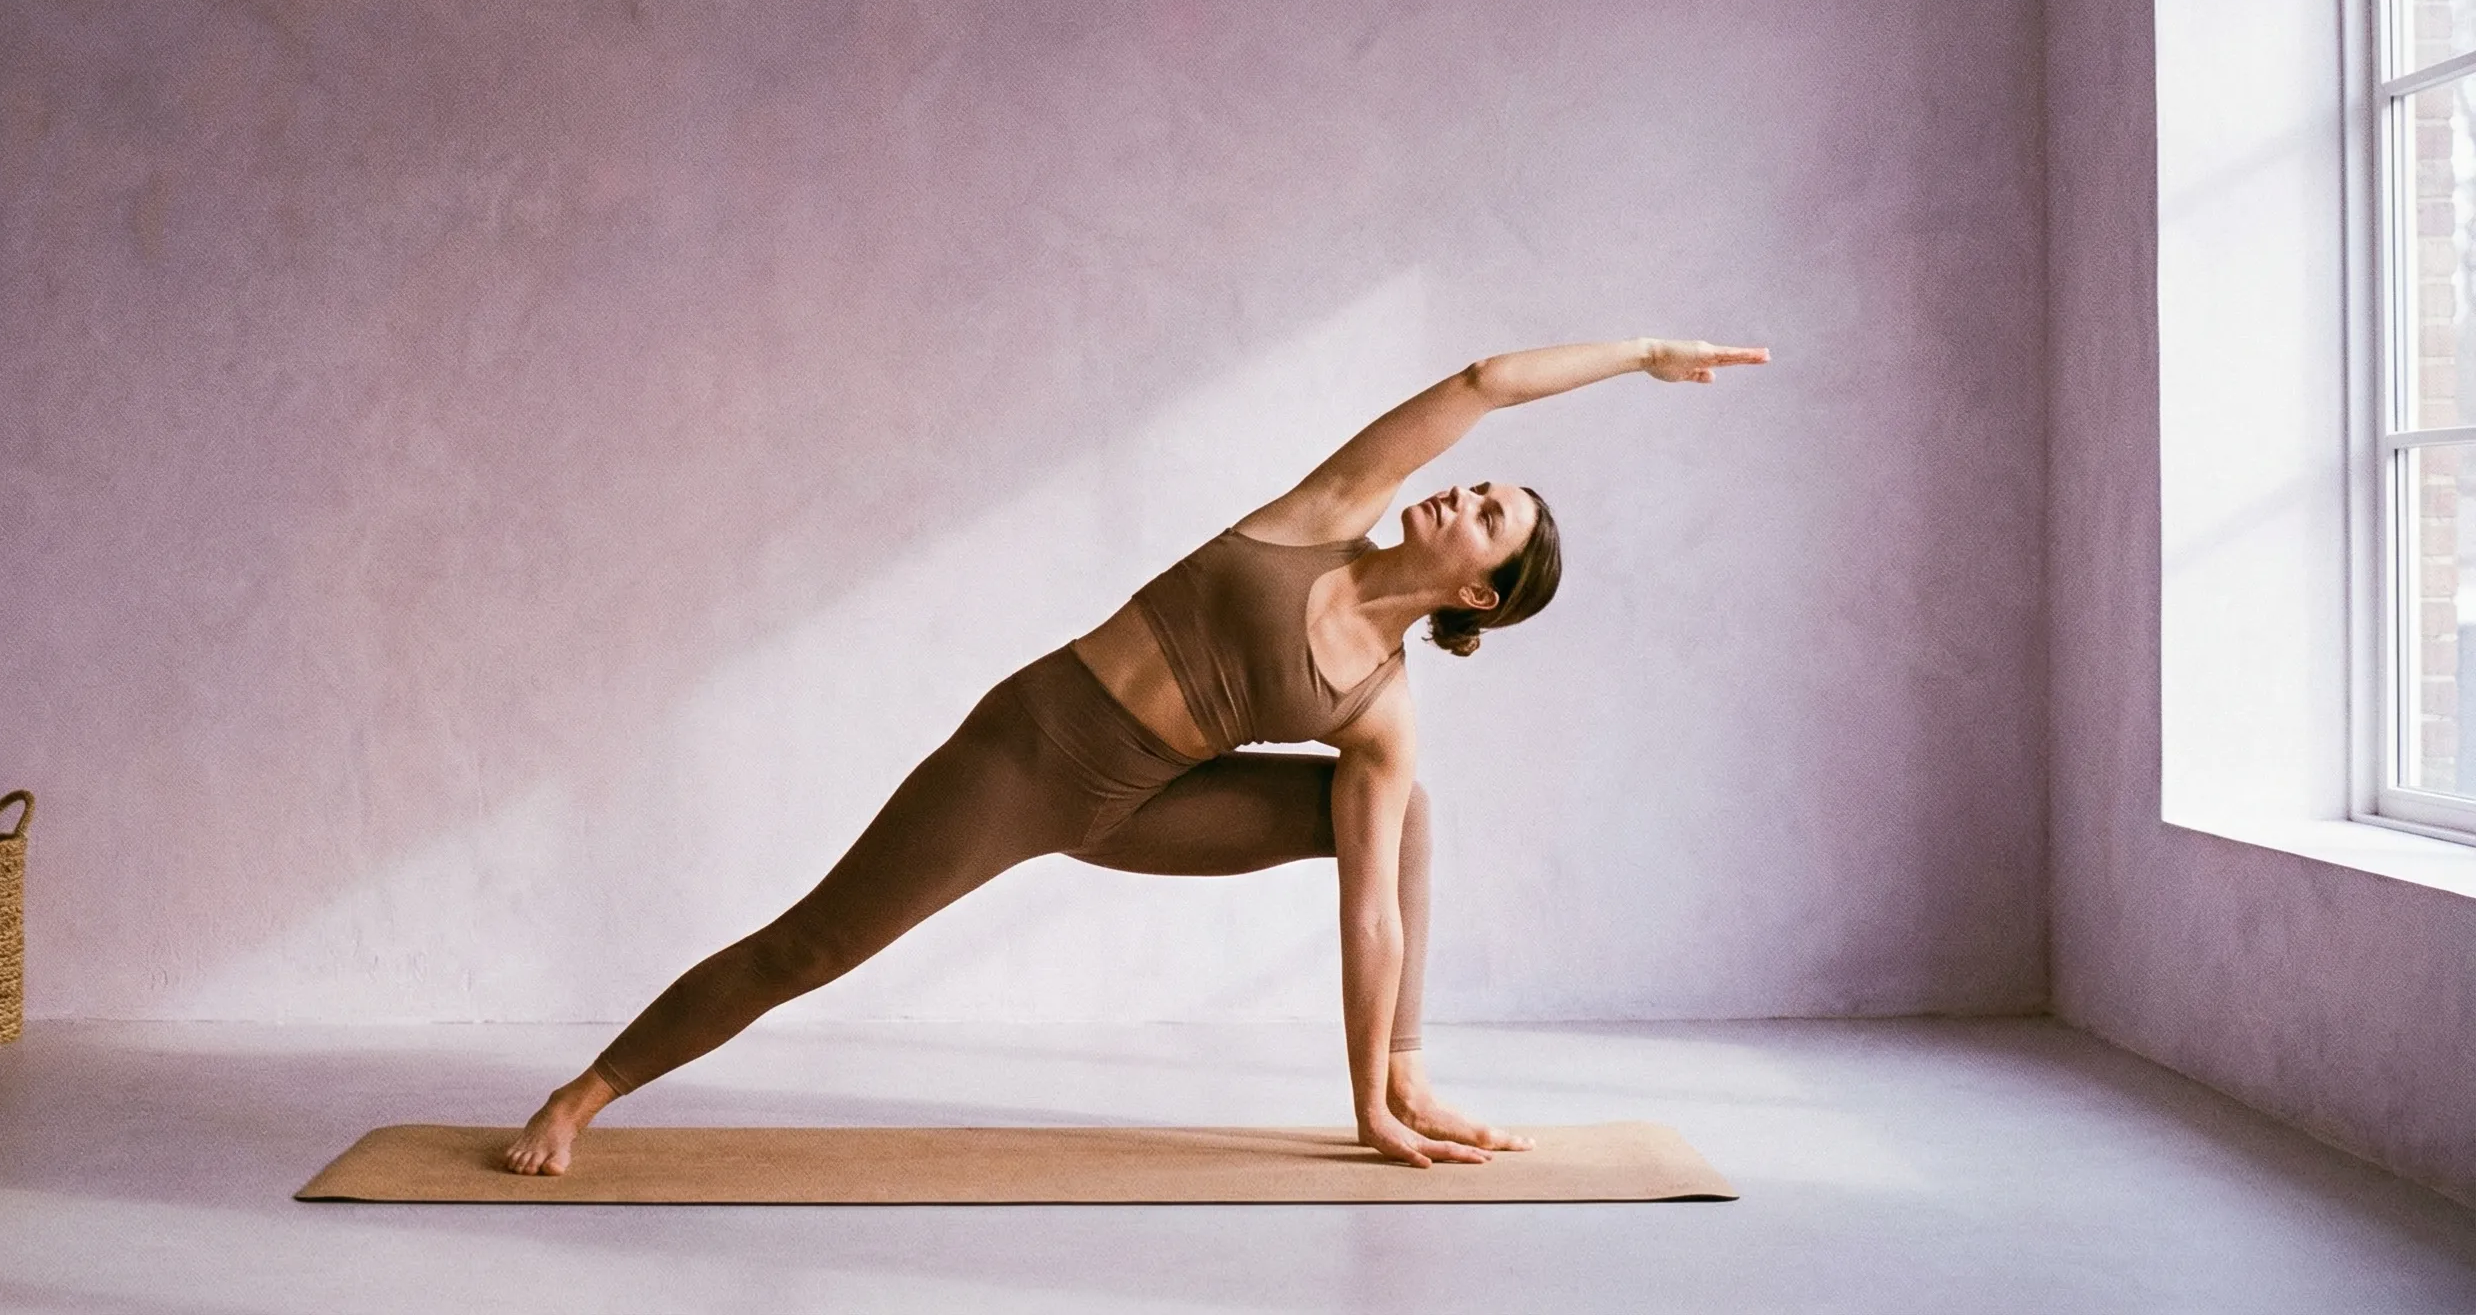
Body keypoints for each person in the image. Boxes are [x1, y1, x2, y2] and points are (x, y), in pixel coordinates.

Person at [504, 335, 1770, 1174]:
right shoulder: (1326, 514)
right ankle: (582, 1096)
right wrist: (1641, 354)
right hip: (1026, 757)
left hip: (1143, 806)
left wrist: (1367, 1103)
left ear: (1479, 594)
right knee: (816, 944)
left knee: (1404, 819)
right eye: (1479, 486)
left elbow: (1372, 916)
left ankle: (1410, 1081)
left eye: (1486, 515)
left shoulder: (1380, 710)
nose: (1463, 494)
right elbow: (1484, 380)